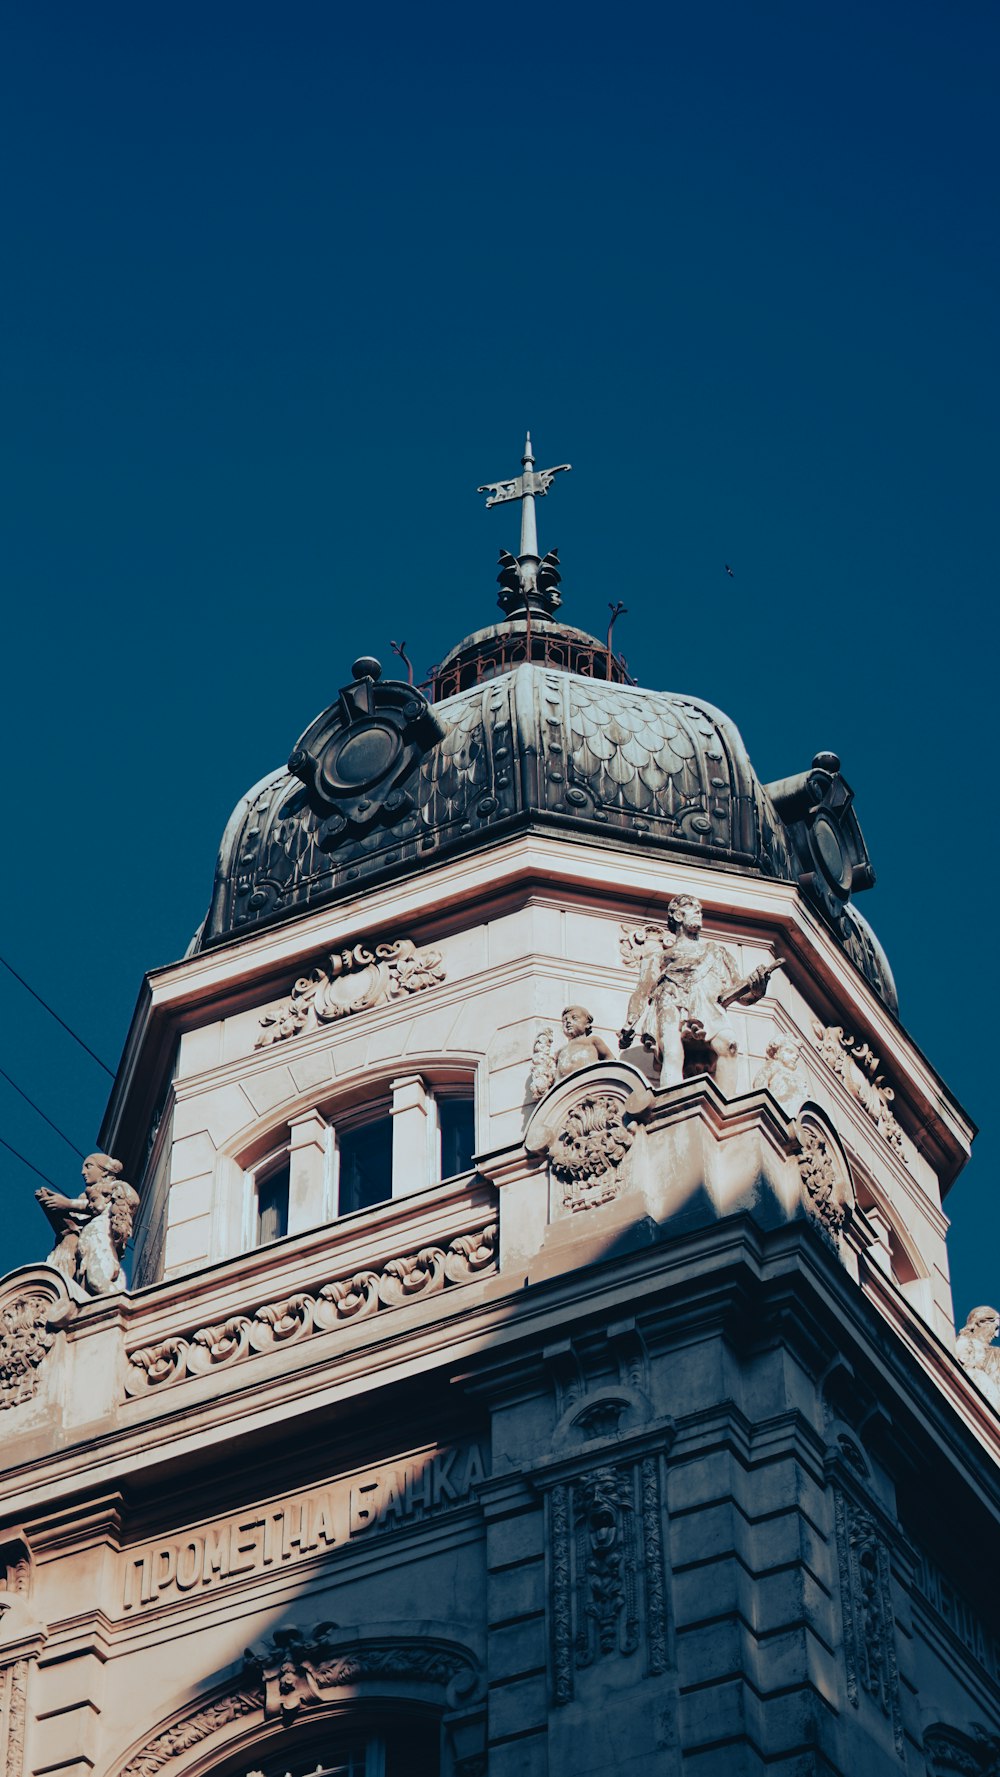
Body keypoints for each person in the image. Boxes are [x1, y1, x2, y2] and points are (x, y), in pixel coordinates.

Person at [621, 895, 777, 1090]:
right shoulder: (659, 957)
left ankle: (725, 1112)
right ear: (678, 915)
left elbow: (742, 995)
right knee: (673, 1053)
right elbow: (643, 990)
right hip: (670, 998)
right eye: (691, 907)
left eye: (699, 909)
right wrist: (630, 1023)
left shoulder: (717, 953)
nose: (698, 911)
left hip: (708, 1005)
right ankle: (671, 1103)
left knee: (729, 1046)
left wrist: (757, 989)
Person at [36, 1153, 139, 1296]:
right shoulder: (86, 1197)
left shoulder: (116, 1188)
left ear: (104, 1170)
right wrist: (53, 1205)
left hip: (100, 1243)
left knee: (97, 1282)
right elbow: (73, 1227)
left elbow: (103, 1205)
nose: (83, 1172)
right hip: (83, 1252)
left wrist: (68, 1204)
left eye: (88, 1166)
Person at [555, 1006, 616, 1080]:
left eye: (574, 1018)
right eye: (564, 1020)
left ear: (587, 1024)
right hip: (565, 1087)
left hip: (587, 1083)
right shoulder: (560, 1051)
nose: (568, 1022)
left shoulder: (592, 1040)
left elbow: (610, 1059)